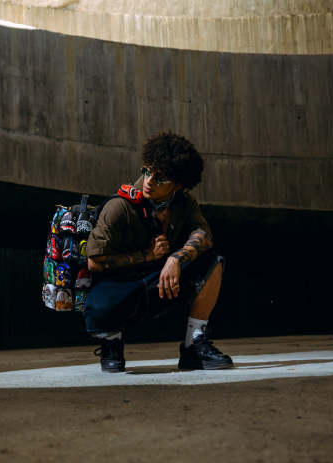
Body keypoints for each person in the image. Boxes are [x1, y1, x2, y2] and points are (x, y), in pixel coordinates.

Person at [84, 131, 233, 372]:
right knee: (98, 308)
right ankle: (111, 342)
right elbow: (94, 263)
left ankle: (194, 345)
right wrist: (148, 255)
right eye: (147, 171)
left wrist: (175, 259)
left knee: (212, 261)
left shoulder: (184, 203)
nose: (149, 181)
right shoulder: (119, 206)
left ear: (178, 184)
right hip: (122, 286)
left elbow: (203, 235)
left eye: (159, 178)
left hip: (159, 282)